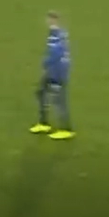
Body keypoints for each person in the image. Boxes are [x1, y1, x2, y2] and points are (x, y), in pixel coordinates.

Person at [30, 11, 73, 140]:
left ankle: (66, 129)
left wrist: (46, 63)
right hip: (53, 69)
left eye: (50, 19)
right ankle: (44, 123)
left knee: (59, 100)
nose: (48, 21)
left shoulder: (56, 34)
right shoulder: (57, 33)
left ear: (55, 20)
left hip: (57, 71)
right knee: (40, 93)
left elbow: (57, 53)